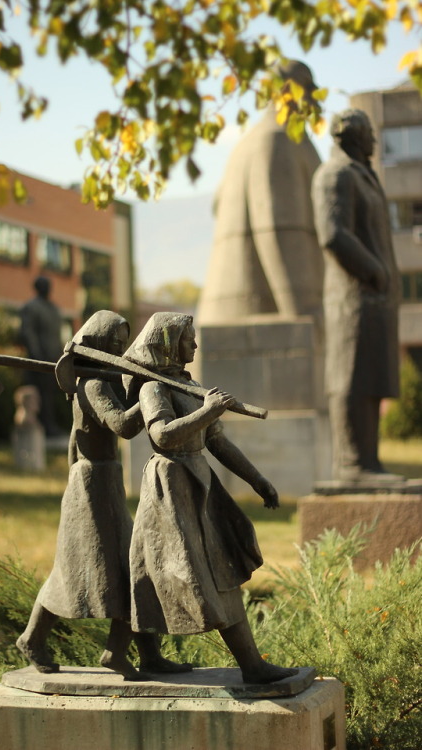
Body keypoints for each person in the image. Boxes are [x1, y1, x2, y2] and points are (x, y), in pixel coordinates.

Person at [124, 312, 298, 684]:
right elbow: (164, 436)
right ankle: (149, 656)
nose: (196, 345)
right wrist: (207, 411)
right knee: (160, 571)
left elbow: (218, 441)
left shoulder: (190, 384)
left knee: (219, 570)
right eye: (189, 338)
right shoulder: (152, 388)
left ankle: (251, 665)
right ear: (169, 344)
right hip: (170, 487)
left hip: (199, 483)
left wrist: (258, 479)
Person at [17, 310, 191, 678]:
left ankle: (140, 653)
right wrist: (149, 392)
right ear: (95, 343)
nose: (119, 348)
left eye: (122, 342)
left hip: (106, 480)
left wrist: (138, 387)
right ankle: (33, 638)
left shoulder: (103, 381)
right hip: (90, 487)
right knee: (81, 570)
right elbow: (122, 426)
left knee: (131, 569)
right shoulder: (92, 385)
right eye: (113, 342)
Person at [311, 109, 401, 482]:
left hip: (375, 298)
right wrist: (375, 270)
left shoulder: (365, 176)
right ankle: (352, 464)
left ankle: (370, 462)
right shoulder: (336, 174)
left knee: (372, 375)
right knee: (352, 376)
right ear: (350, 136)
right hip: (354, 295)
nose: (375, 141)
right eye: (369, 134)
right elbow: (333, 233)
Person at [198, 60, 323, 324]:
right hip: (261, 308)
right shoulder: (276, 140)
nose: (315, 96)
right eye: (308, 88)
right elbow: (276, 228)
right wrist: (300, 309)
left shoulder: (250, 141)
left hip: (234, 309)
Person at [20, 276, 63, 437]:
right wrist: (36, 355)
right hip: (38, 359)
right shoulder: (31, 307)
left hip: (54, 358)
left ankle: (50, 426)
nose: (47, 288)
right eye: (44, 286)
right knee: (36, 396)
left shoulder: (53, 308)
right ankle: (36, 426)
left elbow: (57, 334)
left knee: (49, 395)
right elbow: (28, 332)